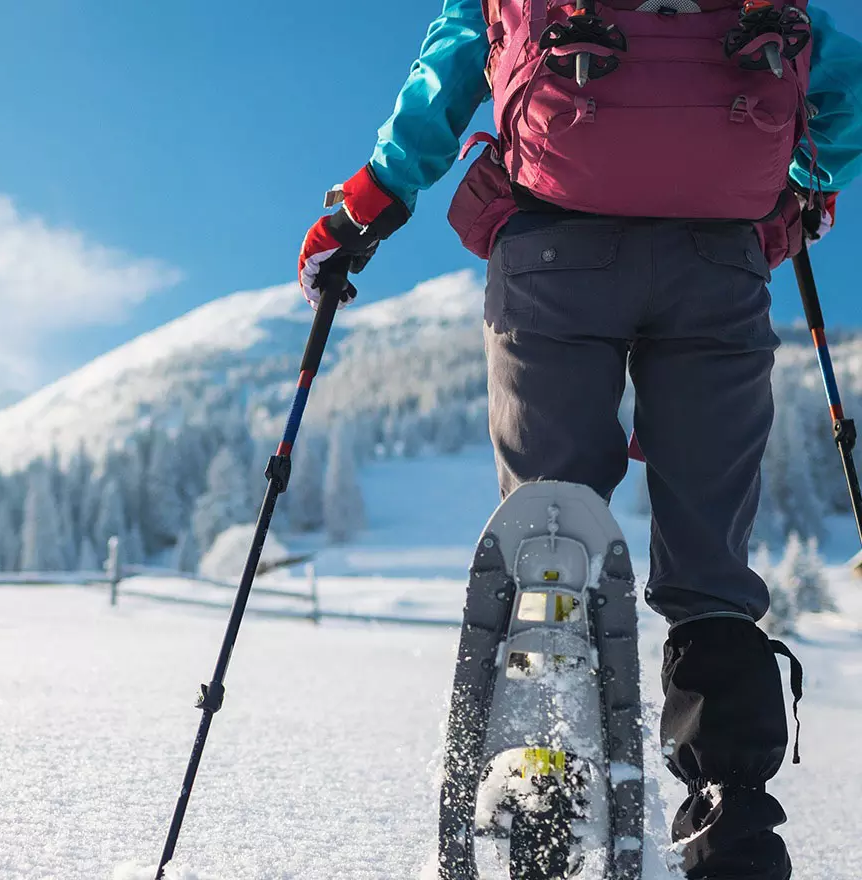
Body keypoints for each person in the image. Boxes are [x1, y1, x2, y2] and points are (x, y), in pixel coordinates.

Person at [299, 3, 862, 878]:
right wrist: (808, 185)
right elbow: (845, 86)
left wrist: (375, 193)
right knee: (711, 571)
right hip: (719, 260)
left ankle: (548, 805)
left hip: (553, 251)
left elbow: (455, 61)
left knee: (549, 538)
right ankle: (732, 827)